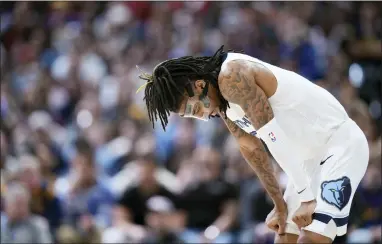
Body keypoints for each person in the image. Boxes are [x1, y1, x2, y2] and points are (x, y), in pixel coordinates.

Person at [137, 46, 369, 243]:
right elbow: (252, 150)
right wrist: (279, 204)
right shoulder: (223, 104)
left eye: (196, 109)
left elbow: (273, 137)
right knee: (284, 236)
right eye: (191, 116)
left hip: (338, 145)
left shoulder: (232, 75)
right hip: (308, 160)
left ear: (199, 86)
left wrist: (307, 198)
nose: (202, 116)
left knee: (312, 238)